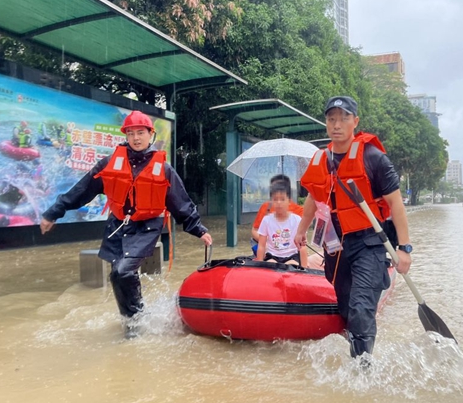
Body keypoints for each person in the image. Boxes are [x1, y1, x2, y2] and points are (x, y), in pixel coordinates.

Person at [40, 110, 213, 339]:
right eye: (131, 133)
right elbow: (82, 191)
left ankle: (135, 323)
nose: (136, 138)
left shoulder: (163, 168)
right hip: (118, 226)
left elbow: (180, 202)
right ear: (126, 136)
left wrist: (198, 229)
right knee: (116, 275)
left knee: (122, 271)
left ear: (150, 134)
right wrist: (53, 213)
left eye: (141, 132)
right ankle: (133, 320)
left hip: (147, 226)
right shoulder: (110, 163)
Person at [294, 95, 412, 360]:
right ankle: (356, 349)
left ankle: (363, 369)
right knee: (346, 308)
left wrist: (404, 249)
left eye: (344, 118)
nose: (337, 124)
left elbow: (396, 204)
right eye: (331, 118)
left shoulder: (374, 157)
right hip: (336, 248)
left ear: (355, 121)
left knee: (360, 309)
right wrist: (302, 229)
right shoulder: (321, 159)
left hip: (369, 243)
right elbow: (313, 197)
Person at [255, 181, 306, 267]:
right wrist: (259, 265)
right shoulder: (266, 220)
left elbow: (303, 247)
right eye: (275, 199)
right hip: (272, 255)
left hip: (292, 256)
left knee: (292, 266)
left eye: (282, 199)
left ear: (289, 201)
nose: (279, 203)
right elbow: (261, 246)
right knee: (270, 265)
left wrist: (305, 268)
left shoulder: (297, 220)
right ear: (272, 201)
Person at [250, 174, 304, 253]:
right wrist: (266, 241)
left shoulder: (298, 212)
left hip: (290, 251)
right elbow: (254, 230)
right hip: (268, 249)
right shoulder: (265, 207)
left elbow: (302, 235)